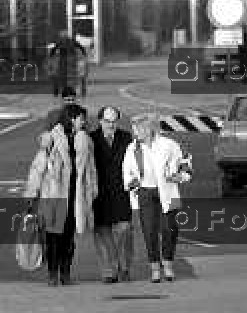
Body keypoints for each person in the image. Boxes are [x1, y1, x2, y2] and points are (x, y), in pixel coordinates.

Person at [24, 87, 97, 286]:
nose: (85, 122)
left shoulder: (84, 141)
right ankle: (52, 273)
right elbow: (37, 168)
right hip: (54, 195)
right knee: (53, 236)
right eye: (81, 119)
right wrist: (32, 194)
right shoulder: (52, 141)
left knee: (68, 237)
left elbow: (90, 170)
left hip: (75, 196)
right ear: (72, 119)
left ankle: (66, 272)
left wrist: (92, 192)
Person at [122, 114, 192, 283]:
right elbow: (127, 171)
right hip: (145, 193)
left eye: (137, 129)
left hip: (170, 192)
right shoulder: (133, 148)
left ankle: (168, 265)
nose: (135, 132)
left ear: (149, 129)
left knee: (171, 229)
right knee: (149, 231)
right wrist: (133, 183)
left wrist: (181, 177)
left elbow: (185, 164)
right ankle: (154, 267)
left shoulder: (170, 145)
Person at [90, 106, 133, 283]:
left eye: (114, 120)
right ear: (100, 121)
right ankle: (109, 271)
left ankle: (124, 267)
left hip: (122, 192)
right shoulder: (91, 139)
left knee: (124, 229)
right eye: (107, 121)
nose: (111, 124)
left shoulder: (126, 137)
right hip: (98, 193)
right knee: (102, 233)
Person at [49, 29, 87, 98]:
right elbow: (81, 47)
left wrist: (51, 56)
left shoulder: (61, 41)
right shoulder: (71, 41)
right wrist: (84, 54)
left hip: (65, 60)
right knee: (69, 76)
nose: (63, 37)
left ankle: (58, 91)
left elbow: (54, 49)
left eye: (63, 35)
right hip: (70, 60)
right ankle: (66, 90)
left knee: (63, 76)